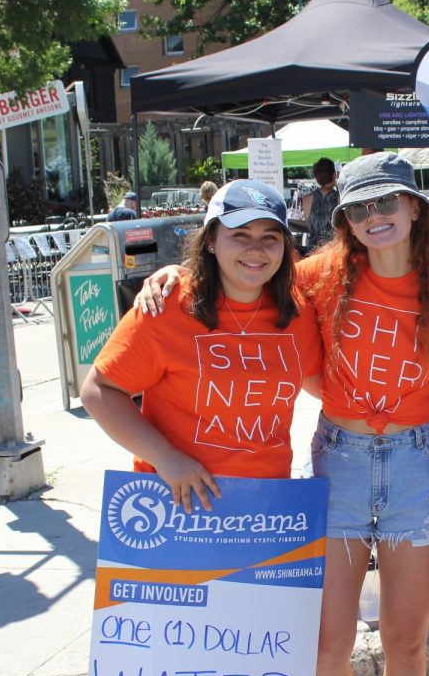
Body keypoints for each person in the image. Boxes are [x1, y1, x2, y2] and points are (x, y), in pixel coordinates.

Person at [135, 153, 429, 676]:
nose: (376, 216)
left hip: (416, 466)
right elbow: (240, 271)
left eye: (387, 202)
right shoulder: (318, 276)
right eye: (361, 207)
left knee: (407, 642)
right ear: (344, 218)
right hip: (338, 464)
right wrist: (167, 277)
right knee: (326, 648)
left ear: (415, 207)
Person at [80, 178, 323, 510]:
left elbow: (327, 386)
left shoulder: (297, 313)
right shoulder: (166, 304)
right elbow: (98, 390)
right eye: (240, 235)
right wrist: (165, 458)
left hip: (266, 509)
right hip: (175, 504)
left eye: (270, 237)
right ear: (211, 240)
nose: (256, 249)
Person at [301, 157, 339, 244]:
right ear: (333, 175)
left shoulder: (307, 199)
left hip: (313, 250)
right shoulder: (340, 198)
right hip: (334, 249)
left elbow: (309, 226)